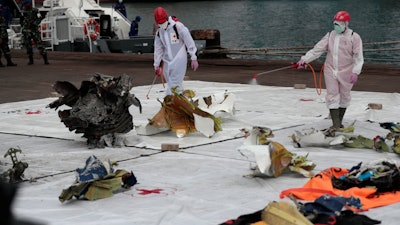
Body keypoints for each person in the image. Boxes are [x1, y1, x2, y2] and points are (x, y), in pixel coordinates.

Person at [296, 10, 363, 135]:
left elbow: (358, 57)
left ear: (346, 24)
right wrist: (304, 60)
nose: (336, 26)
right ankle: (336, 125)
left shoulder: (354, 37)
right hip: (330, 69)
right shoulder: (330, 35)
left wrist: (355, 72)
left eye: (339, 23)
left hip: (347, 71)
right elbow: (318, 50)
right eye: (335, 23)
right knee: (332, 95)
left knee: (344, 95)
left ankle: (339, 122)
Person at [153, 7, 199, 95]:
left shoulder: (178, 27)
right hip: (167, 62)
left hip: (179, 59)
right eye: (160, 23)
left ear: (166, 18)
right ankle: (181, 101)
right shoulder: (159, 32)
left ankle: (169, 102)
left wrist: (193, 56)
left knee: (174, 85)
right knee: (173, 84)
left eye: (163, 22)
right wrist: (156, 64)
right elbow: (158, 49)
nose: (162, 24)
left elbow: (189, 41)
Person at [21, 0, 49, 65]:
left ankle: (45, 59)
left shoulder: (35, 11)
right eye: (25, 4)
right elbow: (22, 20)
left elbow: (40, 18)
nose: (26, 5)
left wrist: (35, 23)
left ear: (30, 3)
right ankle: (31, 60)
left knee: (40, 44)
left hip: (34, 31)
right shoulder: (23, 12)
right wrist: (23, 27)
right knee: (28, 46)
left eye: (27, 4)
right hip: (26, 31)